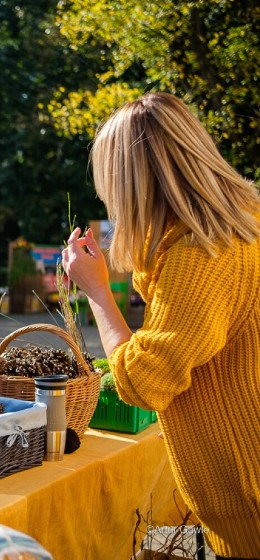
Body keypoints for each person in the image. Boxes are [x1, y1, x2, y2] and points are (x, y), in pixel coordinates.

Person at [62, 92, 260, 558]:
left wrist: (95, 291)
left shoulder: (201, 253)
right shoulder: (241, 223)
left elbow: (143, 382)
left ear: (134, 181)